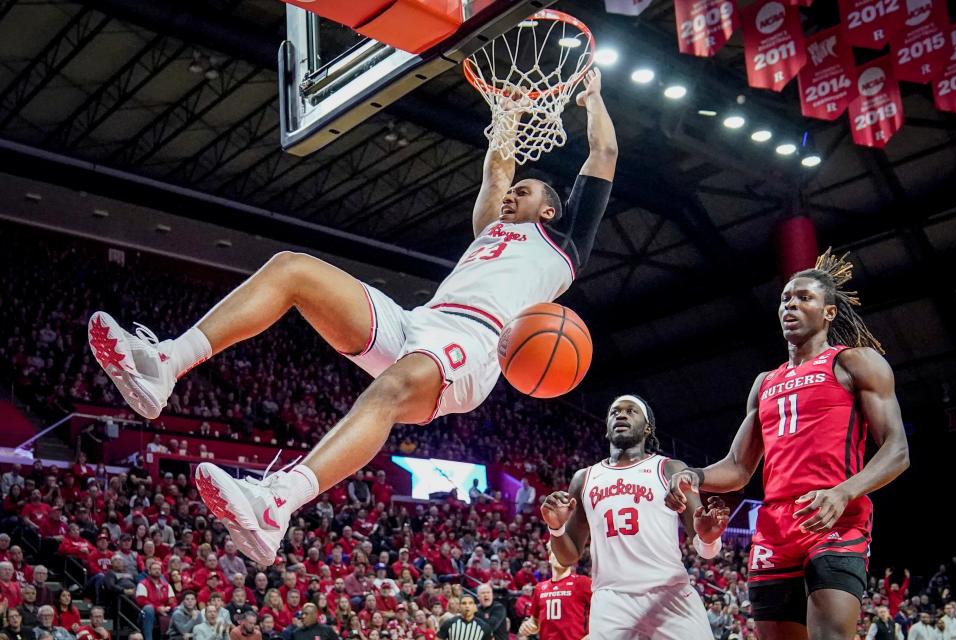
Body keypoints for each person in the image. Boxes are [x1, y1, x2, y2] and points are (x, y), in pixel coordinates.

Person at [88, 69, 617, 564]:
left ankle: (276, 504)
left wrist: (592, 96)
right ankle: (164, 363)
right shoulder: (489, 227)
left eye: (524, 192)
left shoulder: (565, 245)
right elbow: (498, 169)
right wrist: (509, 111)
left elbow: (604, 151)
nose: (510, 195)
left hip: (474, 345)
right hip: (419, 321)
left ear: (548, 209)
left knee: (387, 391)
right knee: (291, 268)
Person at [666, 250, 911, 640]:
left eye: (804, 298)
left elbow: (897, 450)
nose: (790, 305)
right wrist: (693, 476)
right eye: (785, 299)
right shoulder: (765, 383)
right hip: (775, 527)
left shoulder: (855, 363)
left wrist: (843, 492)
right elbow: (738, 467)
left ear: (829, 312)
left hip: (835, 516)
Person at [542, 394, 729, 640]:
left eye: (631, 411)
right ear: (607, 429)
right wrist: (555, 528)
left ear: (647, 427)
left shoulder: (670, 469)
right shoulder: (584, 478)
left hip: (669, 594)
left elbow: (707, 551)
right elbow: (568, 556)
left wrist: (708, 538)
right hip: (611, 601)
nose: (621, 414)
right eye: (614, 412)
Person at [517, 545, 591, 640]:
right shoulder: (540, 588)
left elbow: (603, 612)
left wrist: (591, 636)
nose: (560, 556)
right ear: (549, 558)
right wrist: (528, 626)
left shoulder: (582, 582)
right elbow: (535, 621)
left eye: (564, 553)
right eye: (556, 552)